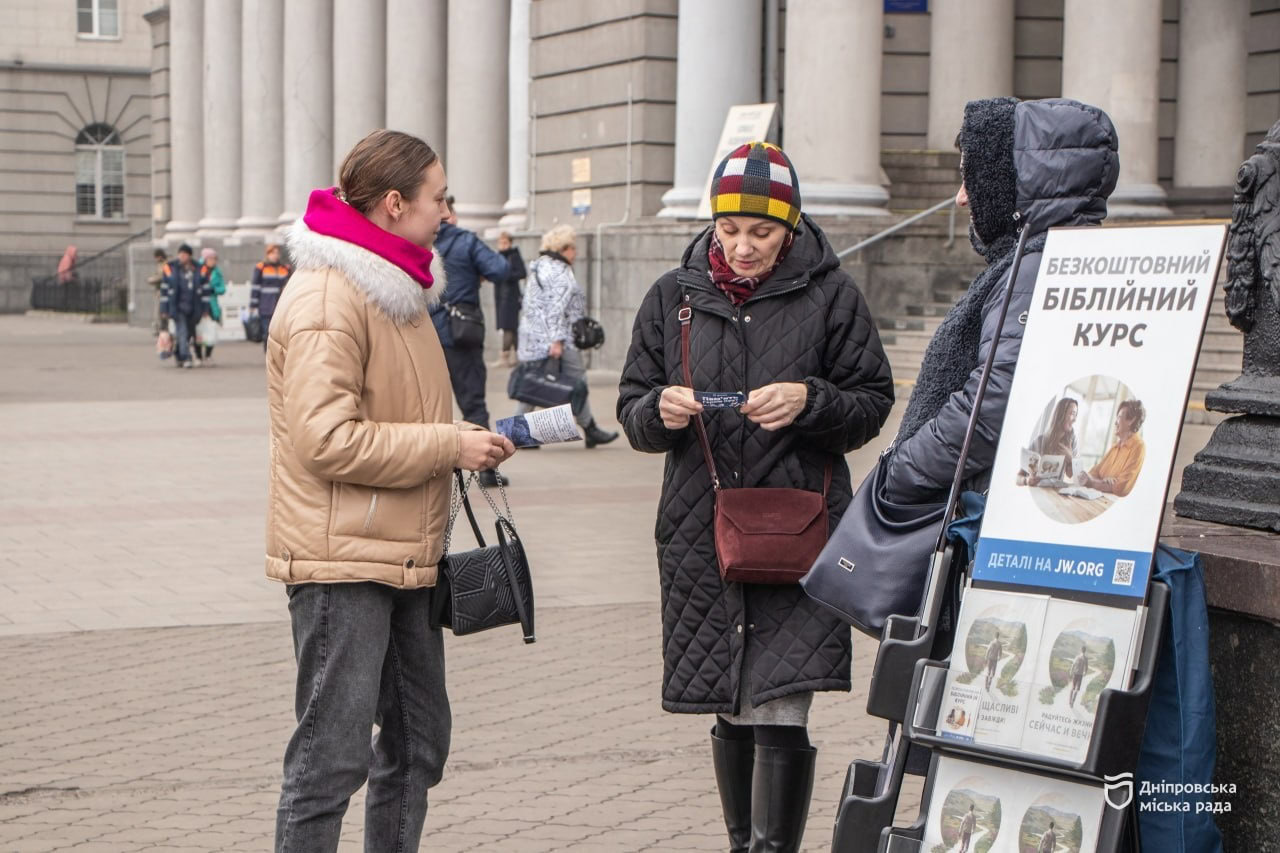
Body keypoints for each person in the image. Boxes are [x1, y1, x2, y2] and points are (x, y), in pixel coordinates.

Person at [617, 141, 894, 853]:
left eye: (762, 232)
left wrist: (811, 400)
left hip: (799, 528)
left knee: (780, 702)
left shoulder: (833, 294)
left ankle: (772, 848)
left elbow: (871, 402)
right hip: (702, 530)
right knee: (729, 700)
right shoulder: (672, 299)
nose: (742, 246)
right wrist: (659, 413)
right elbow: (631, 409)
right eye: (730, 229)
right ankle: (743, 842)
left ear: (791, 227)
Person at [266, 129, 516, 853]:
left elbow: (398, 414)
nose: (448, 211)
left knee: (418, 743)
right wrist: (447, 443)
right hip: (340, 561)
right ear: (395, 202)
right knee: (329, 759)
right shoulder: (327, 299)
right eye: (439, 197)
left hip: (402, 550)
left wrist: (465, 436)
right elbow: (326, 441)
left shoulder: (396, 287)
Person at [882, 97, 1118, 511]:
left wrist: (903, 468)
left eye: (970, 180)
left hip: (989, 509)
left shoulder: (1033, 269)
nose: (960, 199)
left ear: (1010, 183)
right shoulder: (1059, 258)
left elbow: (991, 403)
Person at [428, 196, 511, 487]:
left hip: (426, 334)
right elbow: (500, 269)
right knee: (473, 402)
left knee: (426, 405)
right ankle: (487, 469)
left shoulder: (421, 244)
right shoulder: (466, 241)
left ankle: (432, 462)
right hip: (462, 333)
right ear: (451, 215)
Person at [515, 224, 618, 448]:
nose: (576, 253)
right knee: (576, 380)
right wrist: (557, 341)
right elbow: (555, 310)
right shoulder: (559, 273)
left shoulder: (539, 267)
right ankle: (589, 429)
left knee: (533, 383)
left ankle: (521, 434)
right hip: (555, 339)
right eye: (573, 248)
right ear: (563, 248)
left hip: (533, 338)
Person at [1079, 399, 1146, 496]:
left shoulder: (1138, 447)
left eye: (1119, 417)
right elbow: (1094, 472)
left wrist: (1093, 483)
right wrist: (1104, 483)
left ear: (1131, 420)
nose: (1115, 422)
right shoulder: (1115, 446)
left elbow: (1121, 488)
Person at [159, 243, 210, 369]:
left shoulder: (199, 268)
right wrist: (164, 309)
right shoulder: (170, 268)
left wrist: (205, 309)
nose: (181, 256)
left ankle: (178, 354)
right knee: (182, 332)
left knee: (188, 334)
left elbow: (205, 290)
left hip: (194, 307)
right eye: (180, 254)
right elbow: (165, 289)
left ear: (189, 255)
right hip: (177, 307)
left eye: (184, 254)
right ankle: (186, 357)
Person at [1021, 397, 1079, 485]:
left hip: (1054, 492)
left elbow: (1071, 475)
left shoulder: (1072, 440)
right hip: (1037, 491)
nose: (1075, 419)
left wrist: (1070, 459)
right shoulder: (1039, 441)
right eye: (1072, 414)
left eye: (1076, 415)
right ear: (1061, 414)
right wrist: (1026, 480)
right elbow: (1018, 477)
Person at [251, 243, 292, 350]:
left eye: (277, 253)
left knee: (280, 333)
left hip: (281, 305)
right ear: (267, 254)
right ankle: (268, 354)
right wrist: (253, 305)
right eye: (272, 253)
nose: (275, 255)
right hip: (265, 306)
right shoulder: (261, 267)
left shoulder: (285, 268)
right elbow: (255, 287)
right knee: (267, 332)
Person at [494, 231, 526, 367]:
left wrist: (507, 274)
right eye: (501, 242)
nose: (503, 245)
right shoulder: (498, 257)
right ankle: (517, 356)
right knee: (512, 328)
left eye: (505, 242)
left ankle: (504, 356)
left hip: (511, 297)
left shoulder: (513, 256)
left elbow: (522, 273)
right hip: (501, 297)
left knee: (508, 326)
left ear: (510, 243)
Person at [198, 248, 226, 364]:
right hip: (199, 304)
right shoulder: (198, 270)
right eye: (210, 258)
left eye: (214, 259)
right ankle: (199, 356)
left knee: (212, 330)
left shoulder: (217, 272)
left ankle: (208, 355)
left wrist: (213, 289)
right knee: (198, 331)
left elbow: (222, 288)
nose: (213, 261)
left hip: (212, 305)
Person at [147, 248, 169, 333]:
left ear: (159, 256)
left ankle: (161, 328)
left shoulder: (164, 264)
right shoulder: (161, 264)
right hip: (159, 290)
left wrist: (151, 280)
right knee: (159, 310)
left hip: (162, 290)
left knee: (160, 310)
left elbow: (161, 276)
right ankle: (160, 327)